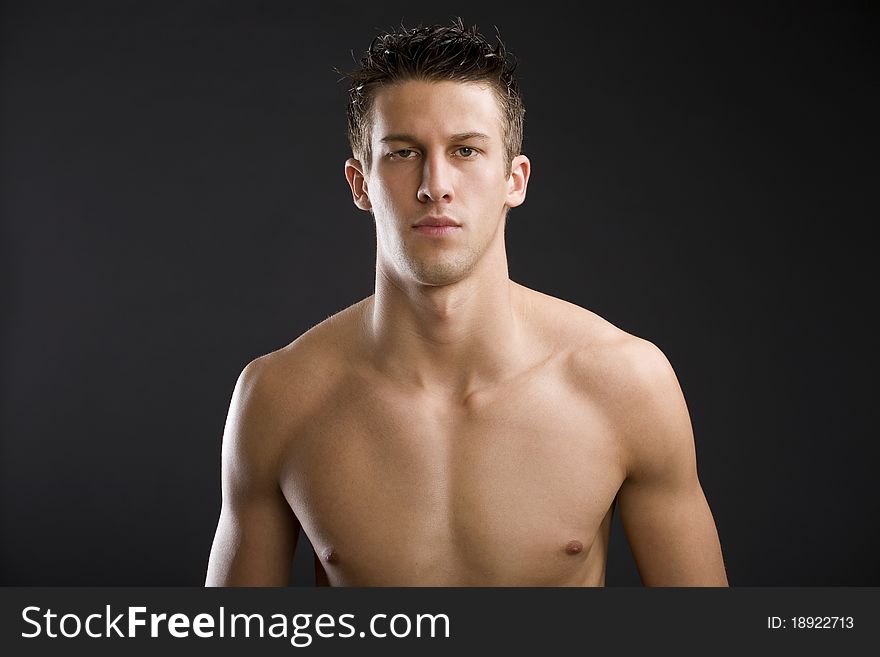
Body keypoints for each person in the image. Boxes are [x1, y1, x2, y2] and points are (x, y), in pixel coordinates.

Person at [205, 18, 728, 587]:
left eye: (466, 151)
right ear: (361, 184)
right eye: (403, 152)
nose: (436, 184)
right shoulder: (279, 398)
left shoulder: (624, 383)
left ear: (515, 179)